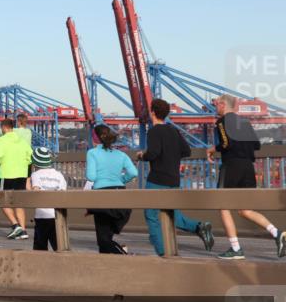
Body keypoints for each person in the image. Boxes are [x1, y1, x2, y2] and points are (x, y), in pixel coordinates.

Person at [209, 94, 286, 260]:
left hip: (232, 166)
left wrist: (213, 148)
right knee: (245, 210)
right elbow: (256, 145)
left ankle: (236, 248)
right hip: (248, 167)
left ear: (223, 105)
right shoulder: (244, 122)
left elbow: (226, 144)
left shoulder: (222, 122)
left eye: (217, 104)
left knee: (222, 205)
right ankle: (277, 233)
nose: (216, 107)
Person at [136, 99, 214, 255]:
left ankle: (163, 252)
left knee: (151, 215)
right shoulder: (173, 130)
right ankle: (199, 226)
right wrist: (171, 155)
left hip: (157, 180)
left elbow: (154, 153)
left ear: (152, 112)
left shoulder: (154, 131)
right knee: (175, 215)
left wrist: (142, 155)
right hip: (174, 179)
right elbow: (186, 151)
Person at [86, 125, 138, 254]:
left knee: (103, 240)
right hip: (120, 195)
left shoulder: (92, 153)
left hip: (101, 196)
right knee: (106, 239)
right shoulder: (121, 154)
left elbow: (91, 176)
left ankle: (122, 254)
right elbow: (133, 172)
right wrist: (121, 180)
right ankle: (116, 257)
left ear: (95, 138)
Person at [0, 118, 33, 239]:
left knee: (1, 201)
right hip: (21, 174)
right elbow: (29, 156)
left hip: (7, 174)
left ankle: (16, 226)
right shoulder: (22, 141)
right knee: (18, 203)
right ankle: (24, 231)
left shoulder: (1, 140)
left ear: (4, 128)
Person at [27, 147, 66, 251]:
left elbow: (36, 193)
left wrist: (27, 181)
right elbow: (63, 193)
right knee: (58, 246)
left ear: (35, 162)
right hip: (58, 215)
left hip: (42, 215)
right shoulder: (59, 175)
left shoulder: (36, 175)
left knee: (40, 247)